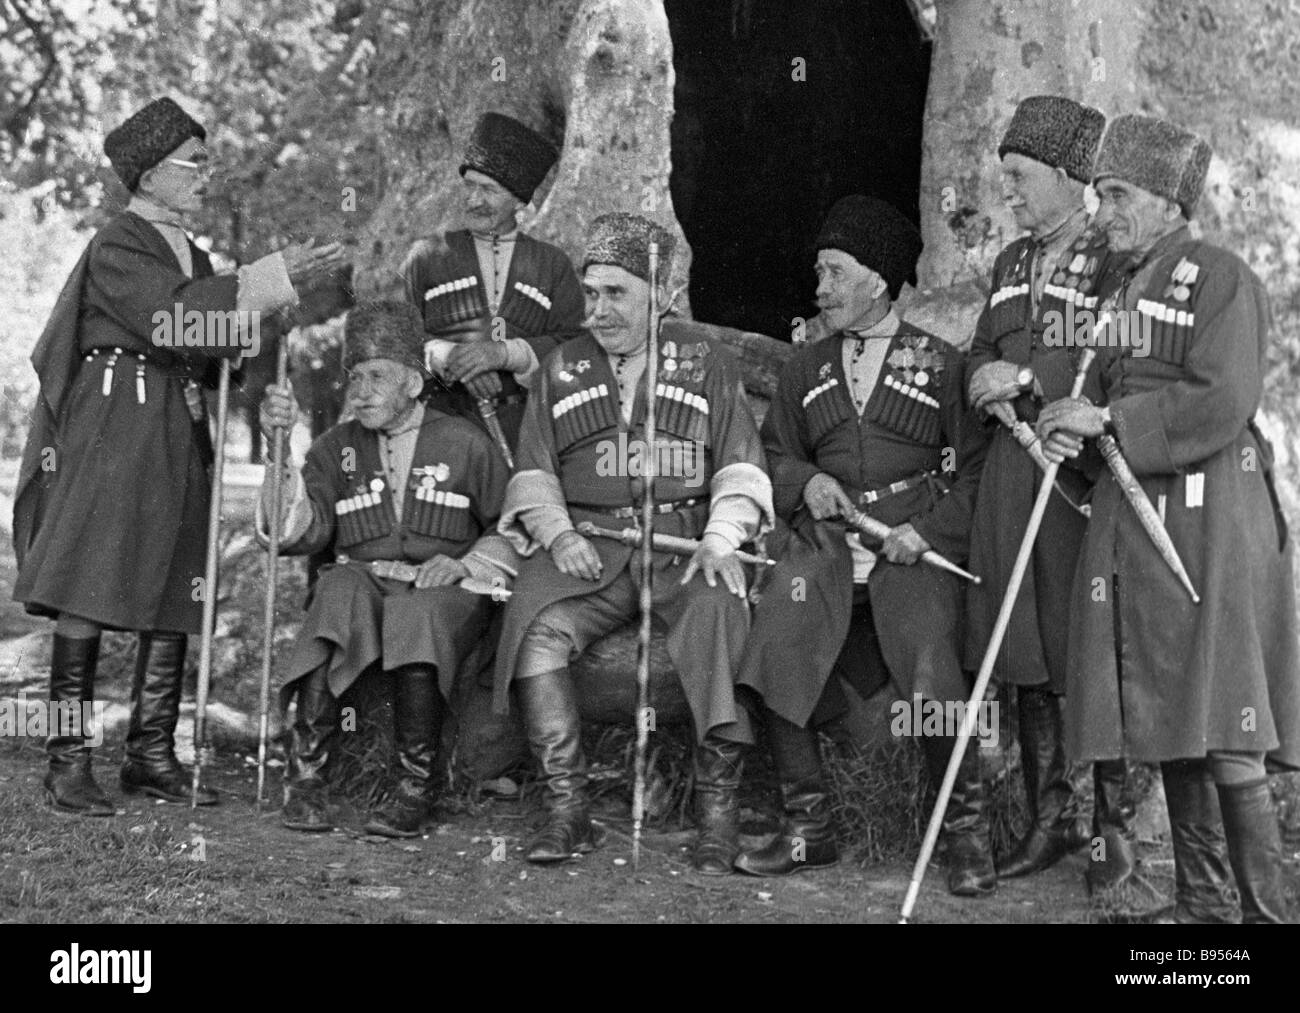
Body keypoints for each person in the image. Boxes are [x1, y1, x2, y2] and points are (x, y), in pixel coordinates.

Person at [12, 96, 342, 813]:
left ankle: (152, 752)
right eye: (194, 165)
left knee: (176, 579)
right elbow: (177, 318)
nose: (205, 176)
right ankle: (66, 760)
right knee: (85, 580)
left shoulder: (194, 253)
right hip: (115, 420)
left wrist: (258, 332)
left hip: (178, 419)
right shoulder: (119, 242)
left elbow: (214, 344)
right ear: (152, 175)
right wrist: (268, 279)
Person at [1038, 113, 1300, 923]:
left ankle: (1262, 917)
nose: (1105, 211)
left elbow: (1224, 397)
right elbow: (1107, 408)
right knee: (1175, 712)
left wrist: (1110, 424)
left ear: (1163, 199)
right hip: (1138, 511)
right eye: (1100, 194)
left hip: (1209, 512)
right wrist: (1070, 426)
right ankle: (1207, 913)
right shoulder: (1119, 288)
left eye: (1117, 195)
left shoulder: (1220, 275)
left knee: (1225, 714)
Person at [493, 212, 773, 874]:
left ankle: (716, 817)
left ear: (662, 295)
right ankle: (568, 809)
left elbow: (740, 463)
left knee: (716, 610)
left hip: (683, 542)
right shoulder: (560, 368)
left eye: (616, 293)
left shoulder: (709, 363)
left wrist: (722, 536)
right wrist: (557, 534)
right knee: (535, 623)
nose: (598, 309)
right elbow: (532, 470)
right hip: (589, 545)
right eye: (591, 293)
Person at [734, 196, 996, 895]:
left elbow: (974, 472)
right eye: (819, 271)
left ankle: (965, 833)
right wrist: (807, 479)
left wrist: (928, 531)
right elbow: (773, 455)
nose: (819, 288)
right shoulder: (804, 367)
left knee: (932, 662)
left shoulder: (940, 364)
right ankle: (809, 828)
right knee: (776, 636)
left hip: (909, 545)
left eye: (834, 271)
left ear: (877, 279)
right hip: (823, 545)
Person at [965, 95, 1137, 891]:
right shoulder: (1007, 264)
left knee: (1086, 649)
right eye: (1005, 176)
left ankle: (1111, 833)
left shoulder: (1112, 258)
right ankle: (1050, 818)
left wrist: (1034, 378)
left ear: (1071, 176)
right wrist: (984, 378)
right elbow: (976, 356)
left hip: (1076, 480)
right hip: (1012, 474)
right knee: (1027, 646)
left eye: (1020, 175)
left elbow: (1121, 361)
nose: (1009, 191)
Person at [258, 300, 513, 835]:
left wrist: (466, 563)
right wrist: (277, 450)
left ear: (415, 385)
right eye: (354, 378)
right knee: (337, 591)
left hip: (448, 590)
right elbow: (300, 532)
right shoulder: (337, 449)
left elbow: (510, 526)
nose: (360, 391)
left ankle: (413, 787)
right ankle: (305, 779)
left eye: (376, 377)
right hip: (367, 582)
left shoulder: (466, 442)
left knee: (418, 616)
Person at [402, 112, 584, 454]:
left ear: (519, 200)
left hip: (528, 434)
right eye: (469, 186)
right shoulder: (426, 256)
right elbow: (398, 340)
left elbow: (576, 347)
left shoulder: (551, 264)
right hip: (440, 432)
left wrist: (504, 354)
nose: (473, 200)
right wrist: (449, 357)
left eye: (488, 190)